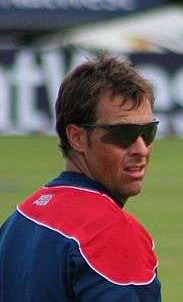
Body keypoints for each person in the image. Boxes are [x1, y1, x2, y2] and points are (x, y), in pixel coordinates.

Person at [0, 55, 161, 302]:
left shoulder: (21, 219)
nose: (141, 149)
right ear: (76, 137)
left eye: (148, 132)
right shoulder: (112, 234)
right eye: (123, 134)